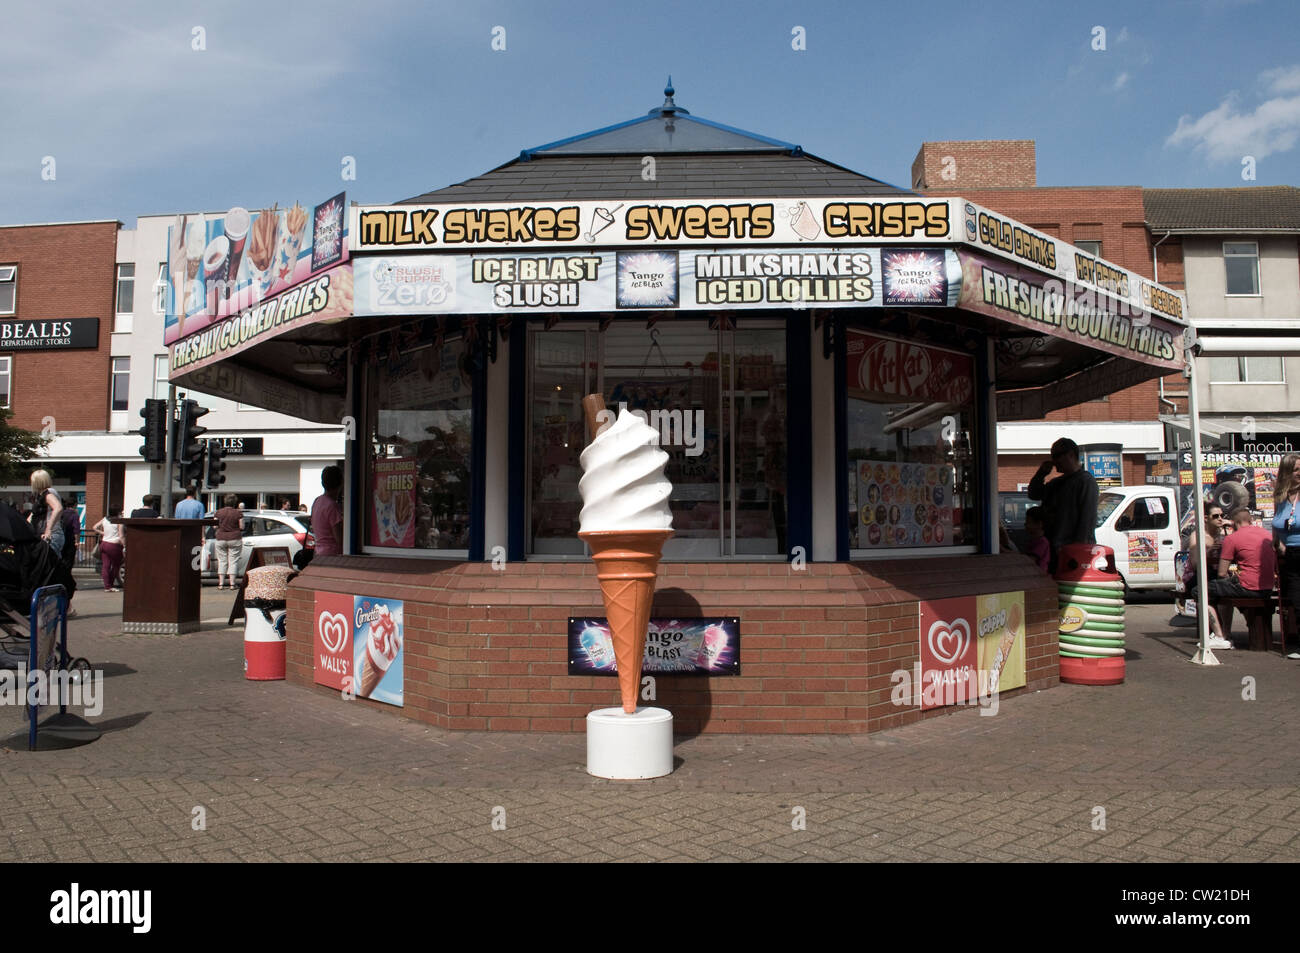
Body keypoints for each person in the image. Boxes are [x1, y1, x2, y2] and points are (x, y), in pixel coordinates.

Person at [1027, 437, 1099, 569]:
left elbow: (1087, 520)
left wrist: (1078, 552)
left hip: (1069, 552)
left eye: (1057, 456)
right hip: (1051, 550)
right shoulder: (1057, 483)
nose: (1054, 461)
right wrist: (1041, 473)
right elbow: (1033, 494)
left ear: (1071, 454)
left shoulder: (1085, 482)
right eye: (1052, 456)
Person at [1185, 501, 1231, 648]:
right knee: (1203, 594)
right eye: (1215, 516)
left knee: (1229, 595)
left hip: (1218, 574)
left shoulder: (1225, 534)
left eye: (1222, 516)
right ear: (1206, 518)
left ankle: (1225, 634)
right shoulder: (1197, 536)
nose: (1220, 519)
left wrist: (1230, 523)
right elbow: (1196, 564)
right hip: (1198, 575)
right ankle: (1218, 633)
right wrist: (1209, 552)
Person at [1214, 508, 1277, 603]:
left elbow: (1222, 573)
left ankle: (1213, 617)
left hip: (1247, 587)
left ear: (1233, 523)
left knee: (1199, 591)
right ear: (1251, 520)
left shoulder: (1232, 539)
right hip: (1268, 587)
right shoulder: (1267, 534)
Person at [1271, 452, 1300, 650]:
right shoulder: (1280, 497)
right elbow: (1276, 524)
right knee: (1297, 601)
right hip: (1291, 554)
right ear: (1287, 472)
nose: (1299, 473)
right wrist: (1278, 543)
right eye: (1296, 469)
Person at [28, 469, 65, 557]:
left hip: (50, 537)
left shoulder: (48, 494)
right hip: (47, 535)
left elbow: (58, 508)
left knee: (48, 565)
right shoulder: (42, 495)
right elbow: (32, 515)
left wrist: (48, 530)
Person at [310, 465, 344, 558]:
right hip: (332, 555)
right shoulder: (332, 506)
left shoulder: (317, 501)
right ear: (340, 483)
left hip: (318, 553)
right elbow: (339, 538)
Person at [213, 493, 244, 589]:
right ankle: (232, 584)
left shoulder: (218, 512)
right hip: (235, 538)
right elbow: (242, 527)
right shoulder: (238, 513)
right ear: (235, 502)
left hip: (221, 538)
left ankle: (221, 584)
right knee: (233, 561)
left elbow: (214, 526)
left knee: (222, 560)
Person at [94, 505, 125, 591]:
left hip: (104, 544)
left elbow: (94, 527)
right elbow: (121, 535)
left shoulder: (105, 519)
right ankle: (111, 584)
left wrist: (103, 533)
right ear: (118, 512)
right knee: (116, 565)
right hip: (114, 545)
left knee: (106, 565)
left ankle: (107, 586)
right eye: (121, 511)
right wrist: (125, 545)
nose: (122, 512)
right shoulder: (119, 521)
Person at [1024, 506, 1051, 573]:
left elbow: (1031, 560)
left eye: (1028, 522)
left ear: (1039, 524)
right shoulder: (1034, 540)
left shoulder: (1042, 542)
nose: (1025, 524)